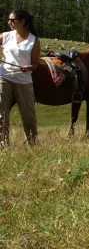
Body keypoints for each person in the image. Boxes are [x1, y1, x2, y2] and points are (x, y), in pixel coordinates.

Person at [0, 9, 41, 146]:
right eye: (9, 20)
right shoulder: (5, 36)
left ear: (22, 22)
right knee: (1, 115)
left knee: (29, 116)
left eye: (12, 20)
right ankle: (3, 145)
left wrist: (29, 67)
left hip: (24, 81)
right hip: (4, 77)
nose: (9, 22)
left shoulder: (34, 40)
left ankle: (33, 144)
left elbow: (35, 64)